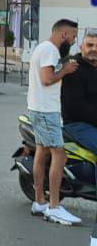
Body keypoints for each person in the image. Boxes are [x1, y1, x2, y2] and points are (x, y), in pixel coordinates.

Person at [27, 18, 80, 225]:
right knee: (60, 155)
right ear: (64, 34)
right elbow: (47, 79)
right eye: (73, 37)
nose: (74, 41)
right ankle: (54, 206)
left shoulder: (43, 48)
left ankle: (39, 201)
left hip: (37, 108)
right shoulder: (50, 50)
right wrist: (65, 71)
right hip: (45, 111)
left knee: (41, 152)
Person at [61, 29, 97, 158]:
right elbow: (77, 108)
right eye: (90, 45)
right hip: (78, 124)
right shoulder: (73, 70)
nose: (94, 49)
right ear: (81, 47)